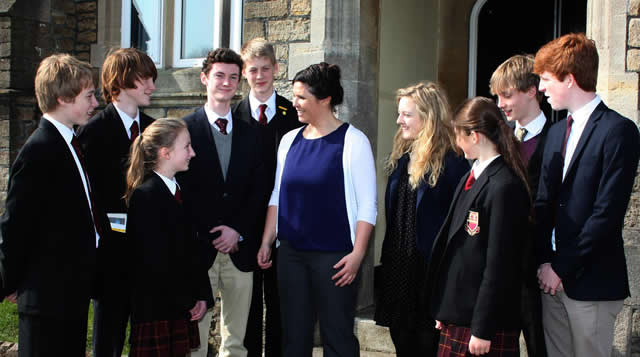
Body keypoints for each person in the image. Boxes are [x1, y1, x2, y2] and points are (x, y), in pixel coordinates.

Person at [257, 62, 377, 357]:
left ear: (324, 100)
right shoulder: (289, 141)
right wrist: (266, 241)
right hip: (291, 257)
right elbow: (277, 194)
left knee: (337, 337)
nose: (294, 103)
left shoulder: (353, 142)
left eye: (301, 98)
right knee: (294, 339)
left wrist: (357, 255)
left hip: (335, 260)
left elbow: (368, 206)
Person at [533, 33, 640, 357]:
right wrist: (543, 263)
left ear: (570, 79)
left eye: (546, 79)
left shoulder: (618, 131)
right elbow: (542, 203)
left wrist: (561, 268)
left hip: (590, 284)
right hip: (549, 281)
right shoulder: (553, 133)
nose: (541, 88)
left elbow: (606, 214)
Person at [0, 54, 108, 356]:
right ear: (62, 98)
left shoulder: (71, 143)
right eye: (88, 96)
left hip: (69, 292)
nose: (95, 104)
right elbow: (16, 225)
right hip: (46, 299)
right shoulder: (39, 151)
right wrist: (10, 281)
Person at [179, 48, 268, 357]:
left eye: (233, 77)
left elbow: (260, 190)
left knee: (236, 342)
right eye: (219, 75)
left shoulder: (253, 133)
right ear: (205, 78)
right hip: (198, 249)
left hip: (240, 249)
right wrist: (213, 232)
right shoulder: (184, 129)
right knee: (195, 339)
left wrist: (237, 230)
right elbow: (182, 191)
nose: (226, 83)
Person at [427, 97, 530, 357]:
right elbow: (456, 251)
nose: (455, 142)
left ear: (474, 136)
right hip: (460, 315)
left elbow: (499, 265)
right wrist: (445, 309)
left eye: (457, 135)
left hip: (482, 325)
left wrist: (483, 328)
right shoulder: (470, 176)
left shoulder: (504, 186)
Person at [374, 81, 468, 357]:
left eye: (407, 114)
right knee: (402, 341)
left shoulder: (454, 163)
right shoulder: (402, 158)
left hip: (429, 274)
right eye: (399, 113)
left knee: (428, 345)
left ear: (429, 117)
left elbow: (459, 226)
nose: (399, 120)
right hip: (398, 268)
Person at [77, 47, 157, 357]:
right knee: (107, 342)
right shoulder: (91, 134)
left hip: (149, 260)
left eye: (153, 78)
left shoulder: (154, 131)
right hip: (110, 261)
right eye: (144, 79)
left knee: (149, 343)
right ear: (120, 82)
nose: (152, 86)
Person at [235, 38, 302, 357]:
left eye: (265, 69)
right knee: (245, 304)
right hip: (245, 226)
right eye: (252, 70)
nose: (259, 76)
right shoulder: (232, 116)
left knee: (280, 304)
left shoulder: (293, 116)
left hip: (284, 226)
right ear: (244, 73)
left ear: (276, 69)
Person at [124, 118, 212, 357]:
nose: (192, 153)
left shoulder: (180, 192)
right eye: (186, 147)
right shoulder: (146, 196)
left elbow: (193, 250)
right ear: (165, 153)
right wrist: (187, 299)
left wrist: (202, 295)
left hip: (179, 306)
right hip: (156, 309)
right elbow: (153, 261)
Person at [489, 54, 549, 357]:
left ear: (531, 91)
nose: (500, 104)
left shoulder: (558, 138)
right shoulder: (498, 142)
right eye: (497, 96)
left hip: (538, 269)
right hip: (501, 267)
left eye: (507, 95)